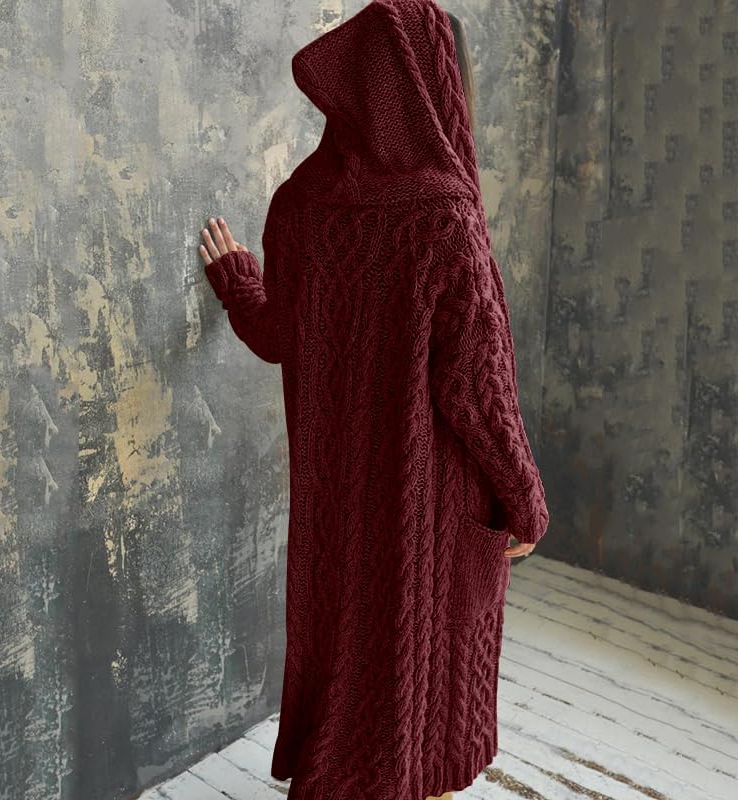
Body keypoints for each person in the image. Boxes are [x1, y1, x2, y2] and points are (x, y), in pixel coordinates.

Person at [198, 2, 549, 799]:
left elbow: (278, 336)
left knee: (352, 651)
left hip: (340, 509)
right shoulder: (447, 214)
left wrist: (238, 282)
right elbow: (479, 388)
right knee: (427, 670)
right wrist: (525, 502)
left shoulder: (300, 203)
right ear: (432, 84)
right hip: (434, 503)